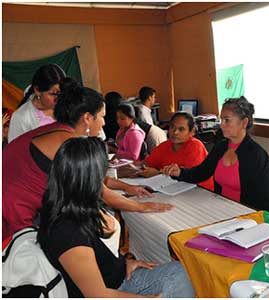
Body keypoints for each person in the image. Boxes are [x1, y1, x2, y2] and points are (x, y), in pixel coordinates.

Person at [2, 80, 172, 239]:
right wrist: (143, 207)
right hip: (14, 209)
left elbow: (95, 179)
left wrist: (129, 188)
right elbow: (101, 192)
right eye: (102, 116)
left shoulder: (61, 129)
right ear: (87, 118)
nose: (104, 123)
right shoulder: (69, 143)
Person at [37, 137, 195, 298]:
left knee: (181, 272)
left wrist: (124, 262)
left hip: (117, 277)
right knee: (179, 278)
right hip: (108, 291)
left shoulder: (73, 203)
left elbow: (98, 253)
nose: (104, 179)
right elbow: (98, 295)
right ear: (89, 179)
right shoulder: (67, 233)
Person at [162, 97, 269, 212]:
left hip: (245, 214)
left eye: (227, 120)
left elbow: (266, 201)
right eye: (221, 120)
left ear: (244, 122)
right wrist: (180, 172)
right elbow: (202, 172)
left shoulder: (257, 156)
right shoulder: (221, 147)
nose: (221, 125)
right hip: (220, 208)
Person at [138, 111, 213, 191]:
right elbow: (147, 164)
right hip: (170, 188)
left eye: (181, 129)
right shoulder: (165, 145)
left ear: (192, 132)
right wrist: (140, 168)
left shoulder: (195, 147)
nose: (175, 132)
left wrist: (157, 173)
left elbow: (190, 178)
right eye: (172, 127)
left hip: (199, 191)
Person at [8, 64, 66, 142]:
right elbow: (14, 151)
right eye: (53, 94)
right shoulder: (21, 118)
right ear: (37, 90)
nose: (58, 98)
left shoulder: (68, 106)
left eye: (61, 93)